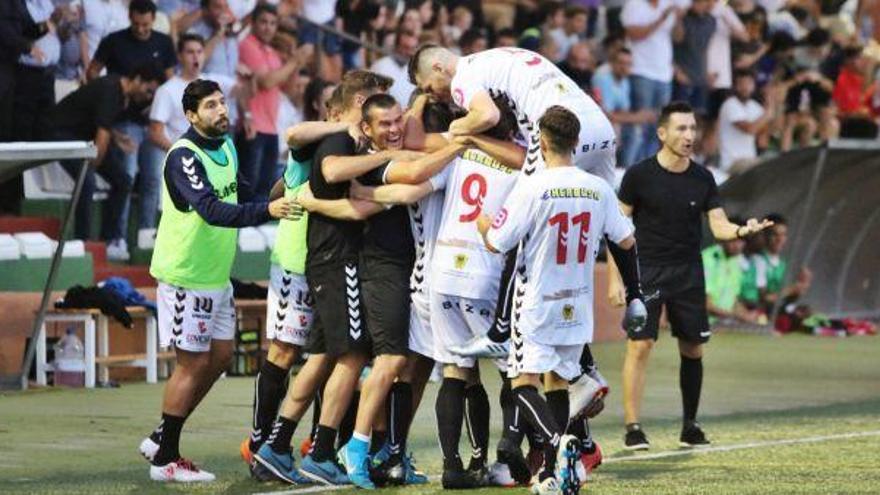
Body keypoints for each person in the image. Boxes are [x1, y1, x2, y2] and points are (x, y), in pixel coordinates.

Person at [479, 106, 643, 495]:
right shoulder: (599, 187)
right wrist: (636, 295)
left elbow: (498, 242)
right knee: (557, 382)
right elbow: (626, 241)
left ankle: (557, 443)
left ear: (541, 140)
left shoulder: (533, 186)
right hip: (577, 303)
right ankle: (551, 474)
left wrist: (484, 225)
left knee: (522, 383)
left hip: (537, 300)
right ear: (575, 142)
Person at [138, 78, 296, 482]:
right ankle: (165, 460)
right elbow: (210, 209)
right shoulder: (183, 156)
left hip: (215, 276)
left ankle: (161, 435)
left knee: (221, 358)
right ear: (190, 116)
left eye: (222, 103)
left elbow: (240, 195)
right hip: (186, 276)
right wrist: (270, 211)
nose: (221, 111)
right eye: (210, 106)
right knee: (191, 364)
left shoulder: (226, 145)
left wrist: (285, 183)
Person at [612, 101, 774, 451]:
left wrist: (742, 230)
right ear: (662, 133)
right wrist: (616, 279)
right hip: (648, 271)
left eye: (693, 129)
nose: (689, 136)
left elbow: (719, 225)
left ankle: (690, 426)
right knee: (640, 346)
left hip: (688, 271)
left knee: (694, 348)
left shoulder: (703, 178)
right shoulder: (638, 175)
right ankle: (633, 428)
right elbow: (617, 229)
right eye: (681, 129)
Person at [86, 0, 177, 260]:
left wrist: (161, 106)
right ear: (129, 17)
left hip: (153, 120)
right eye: (136, 24)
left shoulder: (162, 42)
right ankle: (118, 238)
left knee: (151, 180)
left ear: (153, 20)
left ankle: (146, 237)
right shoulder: (114, 40)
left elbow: (170, 82)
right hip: (124, 119)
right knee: (126, 175)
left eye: (146, 25)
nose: (140, 29)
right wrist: (108, 101)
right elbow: (92, 72)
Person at [47, 65, 163, 241]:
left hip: (82, 136)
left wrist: (116, 137)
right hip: (62, 134)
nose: (148, 97)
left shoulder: (117, 87)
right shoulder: (111, 92)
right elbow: (101, 137)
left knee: (123, 181)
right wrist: (92, 166)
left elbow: (98, 120)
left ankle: (107, 240)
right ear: (137, 79)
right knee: (87, 181)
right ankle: (83, 241)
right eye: (148, 91)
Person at [238, 3, 307, 201]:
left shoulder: (270, 51)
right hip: (252, 125)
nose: (268, 27)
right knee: (248, 188)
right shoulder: (248, 45)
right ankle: (243, 231)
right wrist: (294, 62)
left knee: (264, 189)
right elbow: (267, 81)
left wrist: (296, 62)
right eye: (264, 22)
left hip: (270, 127)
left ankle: (256, 229)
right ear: (252, 23)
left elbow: (287, 88)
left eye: (273, 23)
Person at [621, 0, 684, 163]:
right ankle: (632, 165)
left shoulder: (667, 4)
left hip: (664, 74)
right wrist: (661, 18)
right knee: (640, 124)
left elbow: (678, 38)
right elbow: (634, 35)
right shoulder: (634, 5)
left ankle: (649, 166)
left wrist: (677, 20)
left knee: (659, 127)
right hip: (641, 71)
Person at [591, 48, 656, 168]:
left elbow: (623, 111)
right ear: (612, 63)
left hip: (613, 122)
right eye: (621, 63)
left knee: (639, 129)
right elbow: (606, 114)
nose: (624, 67)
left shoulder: (624, 80)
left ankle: (630, 170)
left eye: (628, 64)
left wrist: (636, 118)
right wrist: (637, 117)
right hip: (594, 122)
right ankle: (623, 171)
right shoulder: (602, 76)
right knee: (625, 129)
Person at [717, 70, 773, 174]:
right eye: (741, 84)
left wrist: (769, 101)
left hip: (751, 159)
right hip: (732, 163)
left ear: (754, 86)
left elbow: (763, 138)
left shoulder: (755, 106)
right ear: (735, 86)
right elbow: (749, 129)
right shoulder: (730, 104)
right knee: (761, 169)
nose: (745, 87)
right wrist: (768, 112)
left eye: (749, 83)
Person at [187, 0, 239, 78]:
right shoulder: (194, 33)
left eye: (226, 6)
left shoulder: (230, 32)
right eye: (218, 7)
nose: (224, 11)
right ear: (206, 10)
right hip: (207, 87)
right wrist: (218, 34)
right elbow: (196, 63)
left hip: (229, 86)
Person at [370, 28, 419, 108]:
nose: (410, 52)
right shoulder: (380, 66)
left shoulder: (416, 70)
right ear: (396, 46)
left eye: (413, 48)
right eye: (406, 48)